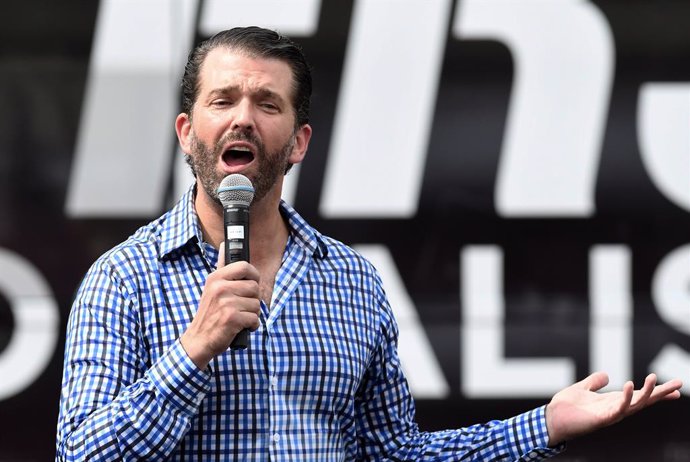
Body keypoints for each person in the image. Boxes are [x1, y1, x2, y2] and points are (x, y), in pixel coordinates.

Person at [56, 26, 683, 461]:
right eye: (223, 100)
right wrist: (191, 353)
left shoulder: (351, 281)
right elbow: (80, 454)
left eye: (266, 103)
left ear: (298, 142)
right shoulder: (123, 278)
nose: (243, 117)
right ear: (189, 133)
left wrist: (543, 425)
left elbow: (393, 454)